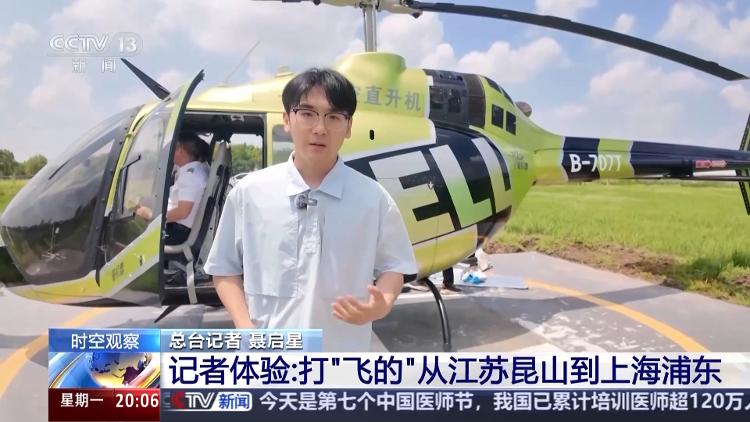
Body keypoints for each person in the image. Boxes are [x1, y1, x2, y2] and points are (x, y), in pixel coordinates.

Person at [203, 68, 417, 351]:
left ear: (349, 126)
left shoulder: (373, 198)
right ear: (286, 120)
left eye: (334, 117)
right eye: (307, 114)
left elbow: (394, 266)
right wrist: (245, 327)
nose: (320, 128)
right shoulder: (250, 193)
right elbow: (224, 269)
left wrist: (383, 304)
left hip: (343, 357)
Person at [135, 133, 210, 245]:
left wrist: (152, 217)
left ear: (180, 149)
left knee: (132, 234)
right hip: (177, 228)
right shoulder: (197, 170)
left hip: (177, 231)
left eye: (172, 148)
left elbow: (183, 212)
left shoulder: (189, 176)